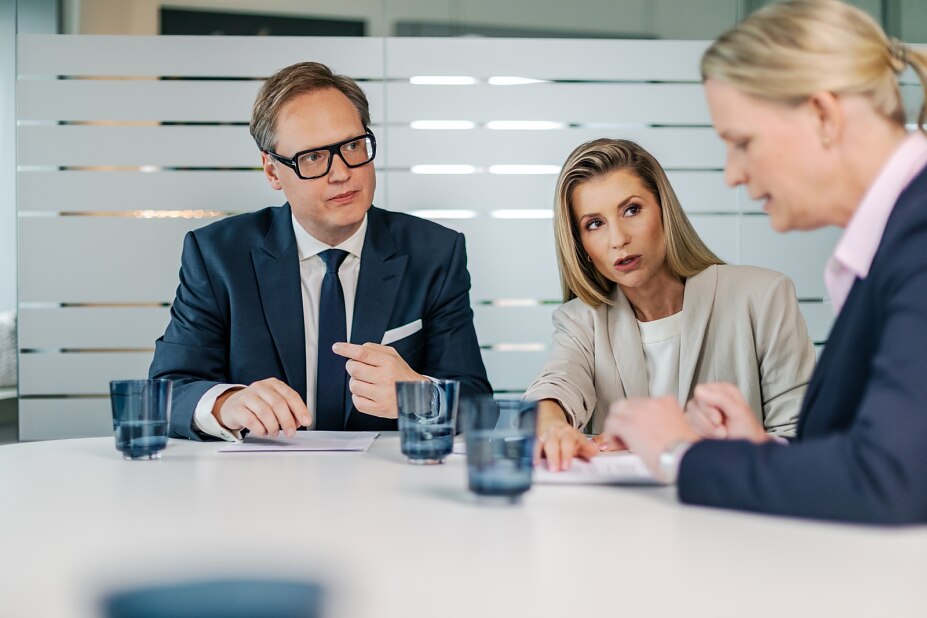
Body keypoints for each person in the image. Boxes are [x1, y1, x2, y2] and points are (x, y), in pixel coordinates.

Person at [601, 0, 927, 524]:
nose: (732, 174)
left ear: (823, 115)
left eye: (741, 143)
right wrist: (759, 451)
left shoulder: (919, 233)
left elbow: (890, 478)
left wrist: (680, 454)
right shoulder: (895, 237)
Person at [149, 61, 491, 440]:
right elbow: (166, 391)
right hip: (262, 485)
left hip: (386, 485)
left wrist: (420, 397)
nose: (341, 172)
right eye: (313, 157)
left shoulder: (435, 253)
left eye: (352, 146)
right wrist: (224, 403)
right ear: (272, 171)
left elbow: (478, 405)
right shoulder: (217, 255)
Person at [525, 138, 815, 470]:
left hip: (735, 511)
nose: (618, 239)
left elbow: (800, 440)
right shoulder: (580, 320)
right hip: (625, 517)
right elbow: (557, 381)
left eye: (631, 210)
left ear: (665, 211)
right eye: (595, 224)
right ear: (582, 247)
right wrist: (548, 422)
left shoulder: (763, 297)